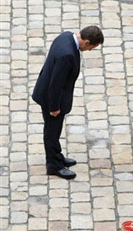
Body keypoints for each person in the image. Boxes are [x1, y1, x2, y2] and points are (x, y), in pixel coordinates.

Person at [32, 26, 104, 180]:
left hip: (47, 90)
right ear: (86, 41)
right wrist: (54, 107)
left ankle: (57, 156)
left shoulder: (66, 37)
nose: (90, 50)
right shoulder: (67, 55)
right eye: (91, 47)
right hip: (51, 98)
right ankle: (53, 165)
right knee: (52, 131)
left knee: (54, 130)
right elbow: (56, 84)